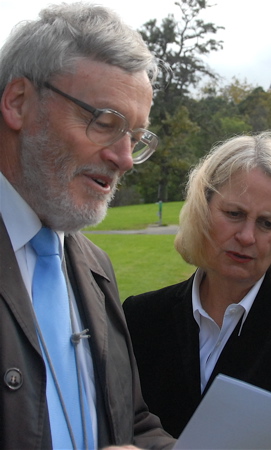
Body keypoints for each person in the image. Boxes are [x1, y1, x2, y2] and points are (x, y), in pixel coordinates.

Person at [0, 3, 176, 449]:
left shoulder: (96, 269)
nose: (125, 159)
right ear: (18, 102)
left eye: (135, 137)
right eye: (104, 122)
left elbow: (131, 423)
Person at [123, 132, 271, 438]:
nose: (247, 237)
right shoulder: (141, 317)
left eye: (267, 223)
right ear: (202, 209)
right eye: (234, 214)